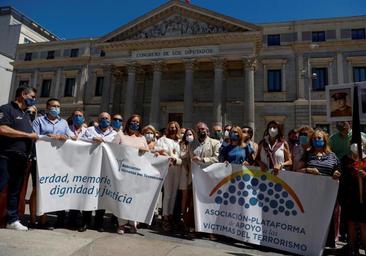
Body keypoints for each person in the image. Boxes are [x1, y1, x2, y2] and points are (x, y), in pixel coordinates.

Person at [0, 86, 38, 231]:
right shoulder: (6, 109)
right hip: (6, 156)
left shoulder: (27, 115)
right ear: (23, 95)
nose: (34, 100)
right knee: (1, 186)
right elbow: (2, 129)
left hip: (22, 158)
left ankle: (12, 220)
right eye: (32, 97)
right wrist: (27, 135)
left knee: (15, 191)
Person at [32, 98, 73, 229]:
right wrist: (48, 136)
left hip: (56, 161)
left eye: (58, 106)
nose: (56, 108)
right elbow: (34, 136)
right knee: (36, 189)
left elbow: (71, 137)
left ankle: (44, 220)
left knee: (49, 188)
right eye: (54, 106)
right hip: (39, 159)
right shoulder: (39, 120)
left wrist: (63, 137)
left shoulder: (64, 123)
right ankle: (33, 219)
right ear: (47, 107)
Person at [79, 112, 117, 232]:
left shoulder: (115, 134)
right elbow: (80, 141)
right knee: (88, 193)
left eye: (107, 118)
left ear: (110, 120)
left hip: (105, 168)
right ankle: (85, 221)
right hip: (90, 167)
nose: (104, 120)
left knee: (101, 195)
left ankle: (99, 223)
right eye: (102, 118)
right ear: (98, 120)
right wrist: (92, 139)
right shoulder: (90, 130)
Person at [112, 114, 149, 235]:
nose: (135, 124)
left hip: (137, 173)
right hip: (123, 172)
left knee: (135, 198)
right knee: (122, 198)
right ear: (128, 122)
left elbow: (148, 153)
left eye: (137, 122)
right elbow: (111, 150)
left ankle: (133, 222)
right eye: (133, 121)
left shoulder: (142, 138)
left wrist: (146, 151)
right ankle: (121, 223)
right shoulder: (121, 135)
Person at [339, 143, 366, 255]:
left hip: (364, 198)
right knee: (351, 223)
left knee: (363, 224)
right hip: (350, 197)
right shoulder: (345, 160)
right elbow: (342, 175)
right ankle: (352, 249)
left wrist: (365, 175)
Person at [156, 121, 183, 232]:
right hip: (167, 169)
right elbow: (156, 151)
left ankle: (171, 215)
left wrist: (176, 159)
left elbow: (183, 157)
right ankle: (165, 216)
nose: (173, 129)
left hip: (178, 169)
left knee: (174, 194)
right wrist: (164, 156)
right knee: (167, 194)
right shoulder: (162, 140)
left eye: (175, 128)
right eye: (171, 128)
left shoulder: (181, 142)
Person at [179, 128, 196, 231]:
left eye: (191, 134)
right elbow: (181, 156)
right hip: (184, 172)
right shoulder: (182, 145)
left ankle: (190, 219)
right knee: (184, 196)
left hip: (193, 173)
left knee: (191, 197)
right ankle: (183, 216)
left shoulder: (195, 145)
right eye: (187, 134)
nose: (189, 136)